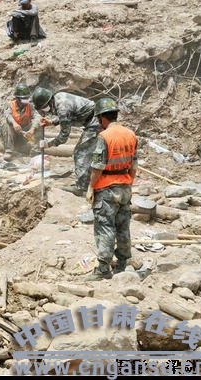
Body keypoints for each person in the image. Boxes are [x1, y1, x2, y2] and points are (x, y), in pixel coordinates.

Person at [85, 98, 138, 281]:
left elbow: (97, 167)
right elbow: (134, 165)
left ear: (102, 118)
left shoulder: (104, 137)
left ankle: (103, 269)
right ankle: (122, 264)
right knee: (123, 227)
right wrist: (128, 183)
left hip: (106, 188)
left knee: (105, 227)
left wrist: (91, 187)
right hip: (125, 186)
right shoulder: (131, 134)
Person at [33, 87, 101, 197]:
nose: (44, 112)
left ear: (47, 104)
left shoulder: (62, 108)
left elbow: (64, 136)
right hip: (96, 118)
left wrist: (48, 144)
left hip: (95, 122)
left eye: (43, 109)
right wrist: (52, 122)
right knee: (92, 153)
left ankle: (81, 188)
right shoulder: (58, 98)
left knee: (81, 153)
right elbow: (69, 115)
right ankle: (92, 181)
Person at [2, 83, 41, 160]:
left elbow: (37, 117)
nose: (24, 101)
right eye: (22, 99)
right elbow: (7, 115)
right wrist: (14, 123)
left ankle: (35, 152)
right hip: (13, 135)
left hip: (24, 134)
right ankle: (9, 151)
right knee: (6, 125)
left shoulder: (30, 105)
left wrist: (32, 129)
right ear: (17, 98)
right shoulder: (10, 104)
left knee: (39, 125)